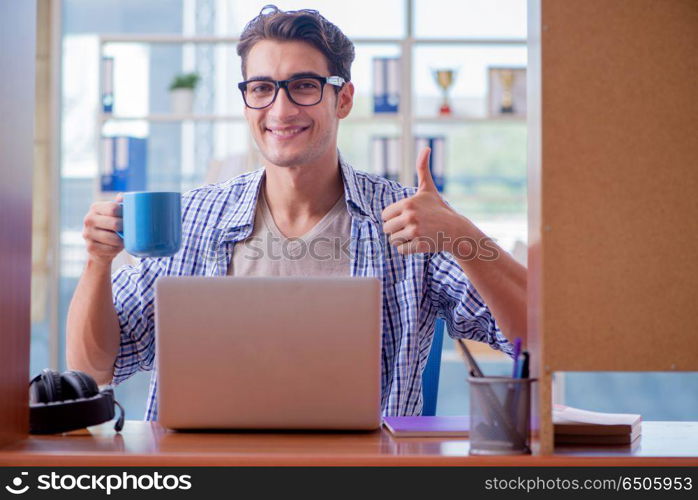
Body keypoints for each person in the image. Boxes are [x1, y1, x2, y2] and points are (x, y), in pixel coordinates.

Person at [67, 5, 526, 420]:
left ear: (342, 99)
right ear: (246, 100)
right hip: (200, 473)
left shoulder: (407, 222)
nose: (280, 109)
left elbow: (537, 340)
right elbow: (92, 368)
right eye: (262, 88)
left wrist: (463, 236)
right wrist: (97, 263)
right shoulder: (191, 219)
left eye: (304, 86)